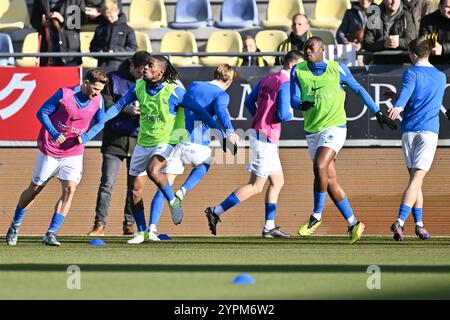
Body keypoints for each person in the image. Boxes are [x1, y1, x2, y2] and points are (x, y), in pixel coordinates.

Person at [290, 37, 397, 245]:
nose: (307, 51)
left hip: (335, 127)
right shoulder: (298, 70)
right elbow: (293, 98)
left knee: (319, 164)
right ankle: (353, 223)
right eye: (305, 48)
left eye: (311, 47)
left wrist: (377, 112)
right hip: (312, 131)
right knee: (329, 181)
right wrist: (301, 104)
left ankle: (316, 215)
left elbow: (358, 89)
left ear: (322, 50)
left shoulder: (337, 69)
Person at [105, 55, 220, 244]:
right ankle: (144, 232)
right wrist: (100, 121)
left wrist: (223, 131)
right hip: (143, 142)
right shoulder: (139, 87)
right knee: (134, 190)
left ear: (162, 71)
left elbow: (200, 111)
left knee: (154, 170)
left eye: (150, 66)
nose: (145, 69)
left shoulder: (175, 91)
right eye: (145, 65)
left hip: (167, 142)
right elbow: (118, 106)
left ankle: (173, 201)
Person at [204, 51, 304, 238]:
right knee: (256, 186)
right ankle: (215, 211)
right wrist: (293, 114)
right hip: (266, 138)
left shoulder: (269, 78)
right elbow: (283, 115)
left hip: (263, 135)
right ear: (292, 66)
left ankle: (269, 227)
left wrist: (261, 117)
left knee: (278, 181)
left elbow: (250, 102)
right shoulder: (287, 83)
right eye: (301, 67)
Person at [5, 68, 109, 246]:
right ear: (86, 83)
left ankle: (51, 233)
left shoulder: (98, 100)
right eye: (95, 89)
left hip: (74, 152)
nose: (97, 94)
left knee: (70, 189)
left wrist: (85, 137)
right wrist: (53, 132)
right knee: (35, 189)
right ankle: (15, 224)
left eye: (100, 91)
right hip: (51, 149)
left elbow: (101, 122)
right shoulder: (65, 94)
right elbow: (42, 112)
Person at [144, 65, 240, 241]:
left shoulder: (195, 85)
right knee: (208, 161)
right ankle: (184, 190)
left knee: (164, 187)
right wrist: (230, 131)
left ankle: (151, 229)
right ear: (229, 81)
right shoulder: (222, 95)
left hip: (177, 143)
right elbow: (221, 111)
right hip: (198, 145)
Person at [386, 37, 446, 241]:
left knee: (414, 181)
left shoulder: (411, 72)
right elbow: (413, 98)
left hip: (409, 131)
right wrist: (398, 104)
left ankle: (419, 225)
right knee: (416, 180)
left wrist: (397, 105)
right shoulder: (440, 77)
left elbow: (408, 95)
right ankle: (400, 221)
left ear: (412, 54)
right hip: (428, 132)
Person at [87, 51, 152, 237]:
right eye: (140, 71)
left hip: (139, 142)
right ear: (132, 65)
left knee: (135, 187)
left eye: (145, 71)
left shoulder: (149, 83)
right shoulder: (112, 79)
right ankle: (99, 225)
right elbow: (107, 105)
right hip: (113, 142)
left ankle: (130, 224)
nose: (143, 74)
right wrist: (132, 110)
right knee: (107, 184)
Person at [31, 0, 86, 66]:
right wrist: (42, 23)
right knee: (49, 75)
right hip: (48, 47)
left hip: (69, 49)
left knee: (68, 75)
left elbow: (82, 20)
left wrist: (63, 20)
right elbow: (33, 20)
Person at [89, 0, 138, 68]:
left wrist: (115, 52)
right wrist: (100, 52)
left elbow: (132, 48)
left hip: (121, 66)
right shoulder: (100, 29)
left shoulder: (127, 30)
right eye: (106, 16)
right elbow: (92, 47)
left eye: (111, 16)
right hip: (102, 65)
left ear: (117, 11)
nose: (109, 19)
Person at [419, 0, 450, 64]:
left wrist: (443, 48)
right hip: (433, 63)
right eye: (447, 7)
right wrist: (432, 46)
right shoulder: (427, 21)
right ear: (440, 6)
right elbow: (423, 40)